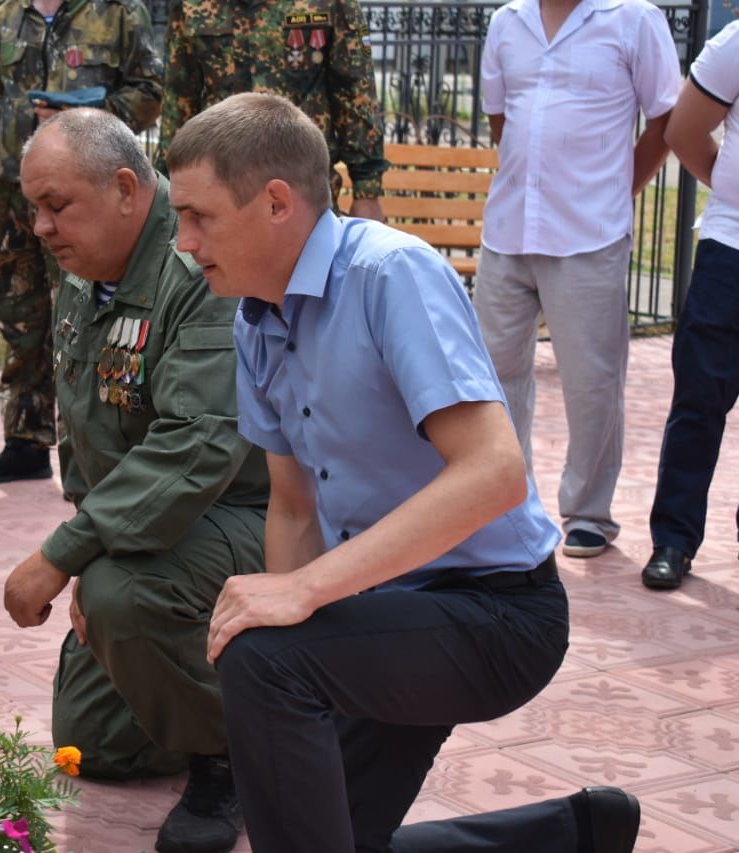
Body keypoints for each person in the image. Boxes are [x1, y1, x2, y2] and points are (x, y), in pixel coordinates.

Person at [166, 92, 641, 852]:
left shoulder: (391, 274)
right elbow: (292, 509)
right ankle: (572, 831)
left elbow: (495, 472)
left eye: (198, 216)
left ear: (277, 202)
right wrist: (290, 611)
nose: (183, 241)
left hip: (497, 616)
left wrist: (304, 597)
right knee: (329, 822)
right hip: (392, 607)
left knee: (262, 665)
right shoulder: (256, 318)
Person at [3, 108, 269, 853]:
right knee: (94, 744)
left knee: (124, 596)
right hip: (160, 523)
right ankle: (265, 695)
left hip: (260, 515)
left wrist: (72, 554)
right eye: (34, 208)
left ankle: (234, 761)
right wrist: (98, 547)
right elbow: (85, 439)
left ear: (126, 188)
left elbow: (199, 447)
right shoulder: (88, 275)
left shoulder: (196, 270)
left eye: (58, 206)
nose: (42, 227)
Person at [473, 0, 680, 559]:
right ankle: (504, 505)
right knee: (494, 376)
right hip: (509, 228)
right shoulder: (506, 22)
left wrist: (618, 187)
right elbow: (502, 119)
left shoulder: (634, 20)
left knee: (592, 381)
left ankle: (589, 513)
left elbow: (668, 119)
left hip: (589, 232)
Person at [0, 0, 163, 484]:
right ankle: (24, 440)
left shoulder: (117, 11)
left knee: (84, 314)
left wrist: (89, 116)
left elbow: (150, 91)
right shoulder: (3, 15)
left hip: (84, 196)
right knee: (19, 313)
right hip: (13, 192)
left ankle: (89, 445)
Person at [641, 21, 739, 590]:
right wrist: (730, 188)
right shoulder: (735, 44)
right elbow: (684, 132)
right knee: (700, 398)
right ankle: (674, 541)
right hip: (732, 249)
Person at [158, 0, 387, 222]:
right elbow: (178, 100)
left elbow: (355, 92)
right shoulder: (190, 5)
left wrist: (367, 190)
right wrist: (168, 183)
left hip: (301, 184)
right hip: (220, 185)